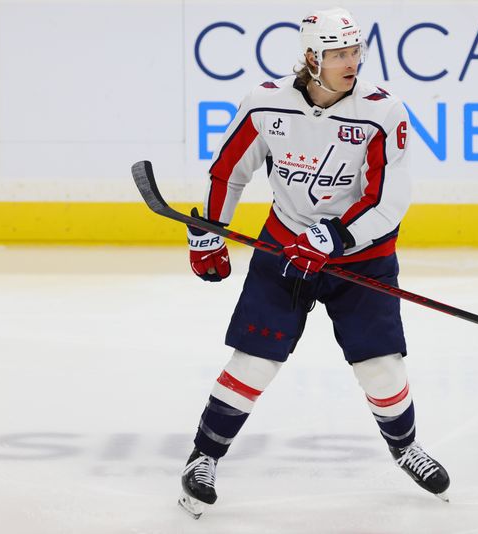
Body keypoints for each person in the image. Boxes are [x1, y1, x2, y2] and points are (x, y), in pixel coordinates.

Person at [179, 7, 449, 519]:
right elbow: (228, 172)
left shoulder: (382, 111)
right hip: (285, 248)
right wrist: (209, 235)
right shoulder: (265, 103)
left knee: (381, 368)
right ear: (311, 57)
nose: (352, 63)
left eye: (355, 52)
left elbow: (389, 199)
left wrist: (333, 235)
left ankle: (405, 448)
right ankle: (203, 458)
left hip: (362, 259)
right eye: (339, 54)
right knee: (254, 361)